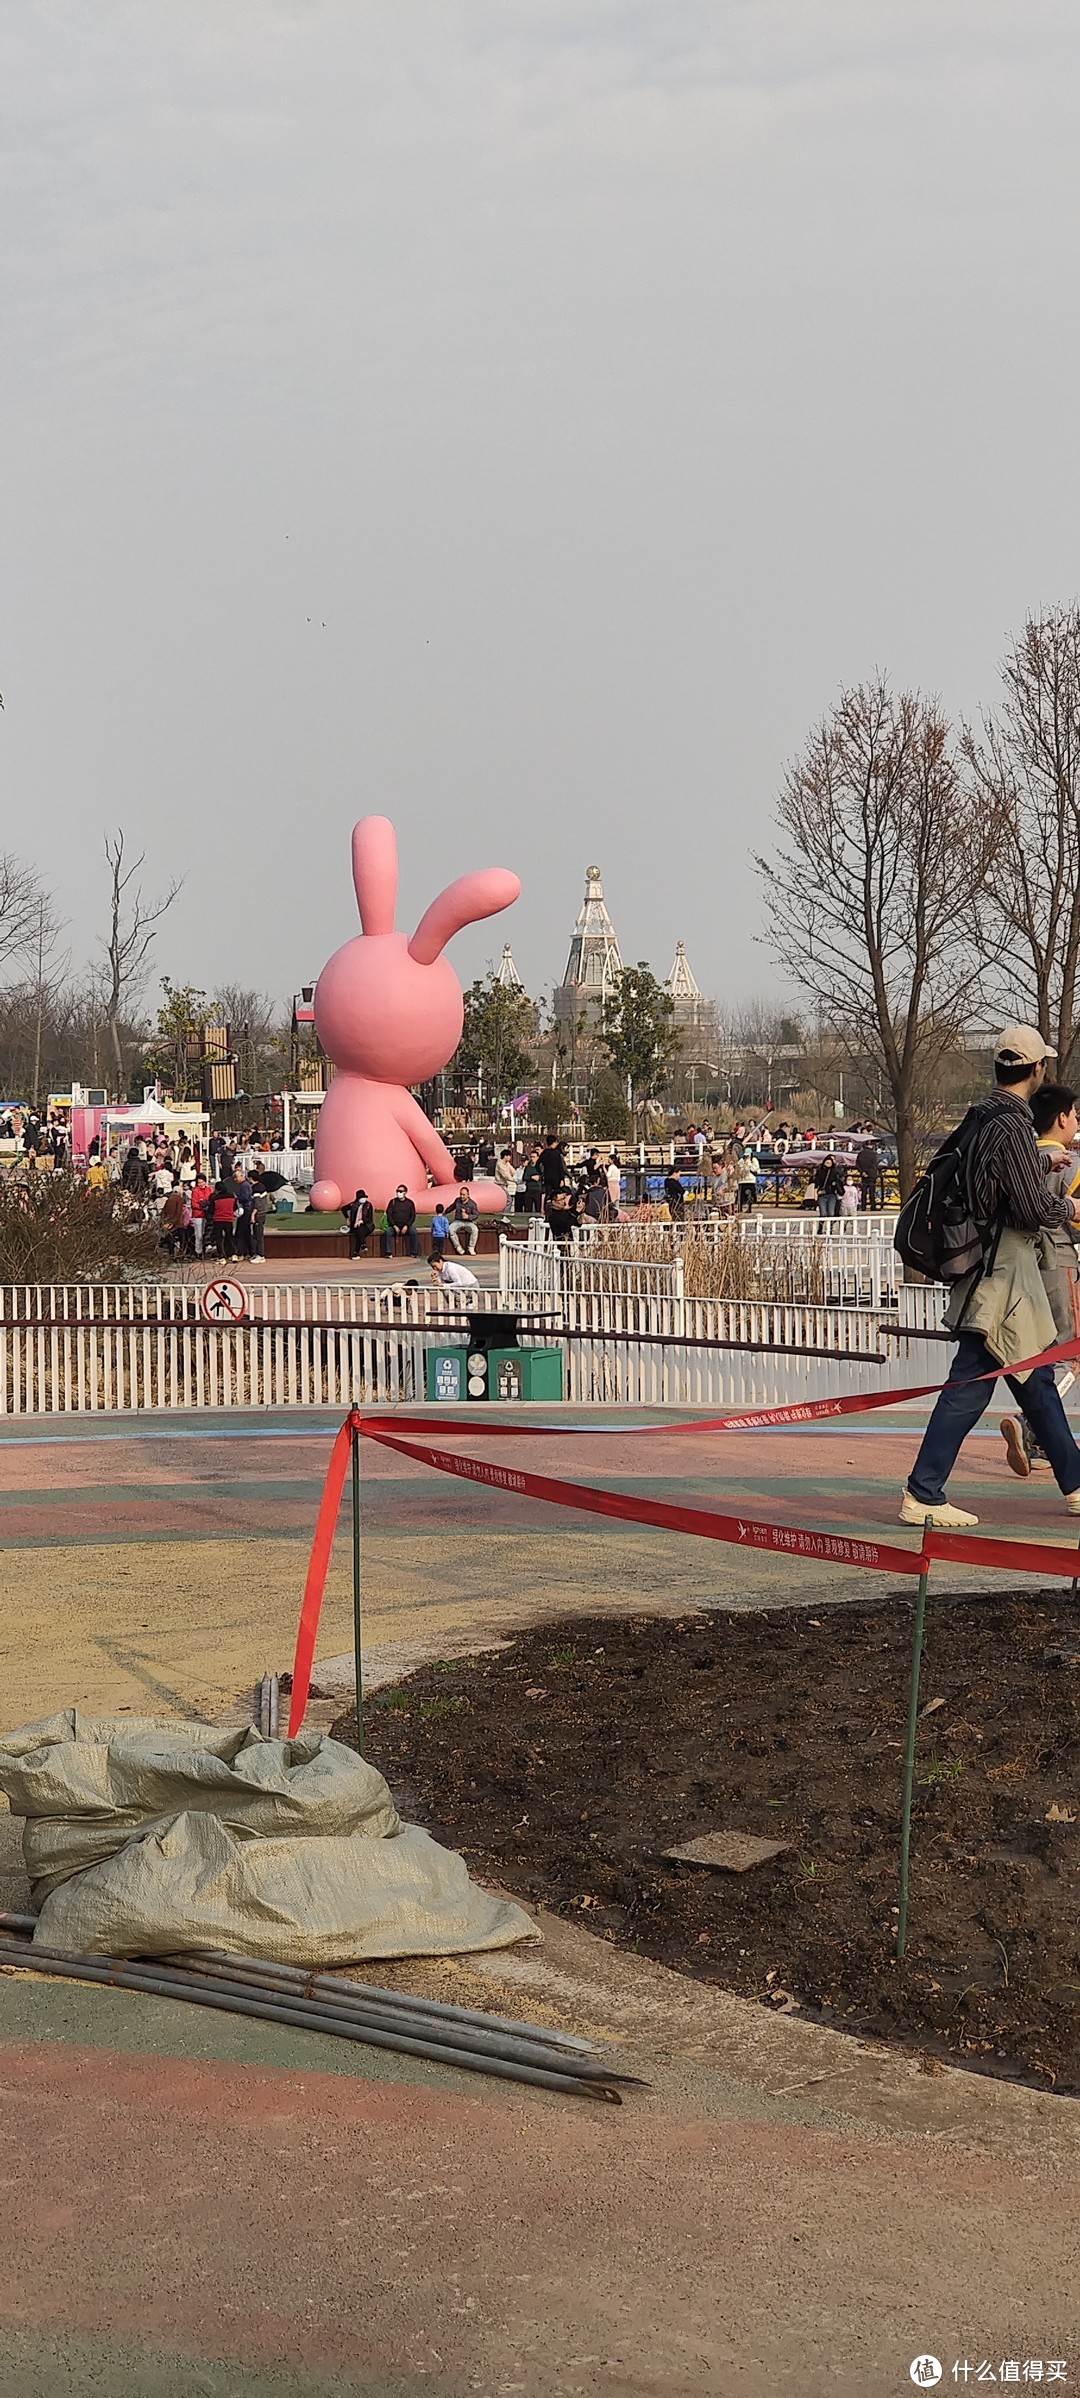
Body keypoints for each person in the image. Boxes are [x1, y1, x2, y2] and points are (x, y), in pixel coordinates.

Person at [902, 1027, 1080, 1529]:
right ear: (1037, 1069)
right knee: (973, 1382)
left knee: (1036, 1380)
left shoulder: (984, 1116)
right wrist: (1069, 1204)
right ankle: (923, 1491)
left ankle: (1075, 1483)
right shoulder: (1012, 1125)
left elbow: (991, 1179)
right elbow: (1029, 1206)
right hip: (1005, 1275)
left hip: (990, 1268)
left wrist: (1040, 1158)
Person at [999, 1081, 1080, 1477]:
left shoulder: (1023, 1157)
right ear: (1062, 1118)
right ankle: (1032, 1423)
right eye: (1076, 1114)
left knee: (1039, 1354)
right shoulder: (1070, 1164)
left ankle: (1041, 1441)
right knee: (1071, 1356)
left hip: (1023, 1268)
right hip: (1059, 1261)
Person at [383, 1187, 419, 1257]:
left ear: (405, 1192)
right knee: (388, 1232)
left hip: (406, 1226)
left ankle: (414, 1252)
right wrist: (394, 1225)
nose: (398, 1193)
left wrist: (406, 1226)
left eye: (400, 1191)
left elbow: (412, 1216)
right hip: (394, 1225)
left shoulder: (410, 1203)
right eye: (397, 1191)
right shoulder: (392, 1202)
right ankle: (388, 1252)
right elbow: (389, 1215)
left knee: (414, 1232)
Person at [449, 1184, 480, 1255]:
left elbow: (476, 1214)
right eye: (461, 1194)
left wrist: (468, 1217)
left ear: (468, 1195)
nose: (462, 1196)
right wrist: (444, 1212)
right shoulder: (457, 1201)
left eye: (464, 1195)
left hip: (468, 1222)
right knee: (451, 1229)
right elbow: (452, 1207)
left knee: (475, 1230)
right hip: (458, 1221)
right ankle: (458, 1247)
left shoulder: (472, 1204)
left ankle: (471, 1247)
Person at [814, 1152, 846, 1220]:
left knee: (831, 1213)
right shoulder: (820, 1171)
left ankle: (830, 1229)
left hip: (832, 1194)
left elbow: (839, 1181)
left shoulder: (834, 1172)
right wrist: (815, 1195)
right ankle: (821, 1228)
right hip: (822, 1194)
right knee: (823, 1214)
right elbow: (816, 1183)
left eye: (830, 1163)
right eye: (827, 1162)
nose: (828, 1164)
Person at [189, 1171, 214, 1257]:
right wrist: (202, 1206)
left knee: (206, 1233)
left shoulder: (210, 1189)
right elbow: (194, 1203)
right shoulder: (195, 1190)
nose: (201, 1184)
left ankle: (205, 1249)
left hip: (208, 1215)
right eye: (199, 1182)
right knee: (198, 1234)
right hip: (198, 1215)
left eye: (202, 1182)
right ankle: (198, 1251)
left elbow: (212, 1200)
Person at [346, 1189, 375, 1257]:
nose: (363, 1199)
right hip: (355, 1226)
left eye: (364, 1197)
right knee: (359, 1230)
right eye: (362, 1197)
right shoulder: (353, 1205)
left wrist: (362, 1221)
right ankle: (362, 1246)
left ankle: (357, 1250)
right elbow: (343, 1209)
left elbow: (370, 1218)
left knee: (360, 1231)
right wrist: (347, 1218)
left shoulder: (368, 1205)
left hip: (368, 1226)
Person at [856, 1137, 881, 1211]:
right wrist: (869, 1172)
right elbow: (873, 1165)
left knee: (864, 1191)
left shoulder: (861, 1153)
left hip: (863, 1175)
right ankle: (872, 1206)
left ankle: (863, 1206)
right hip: (871, 1175)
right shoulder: (873, 1154)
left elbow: (857, 1164)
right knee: (871, 1192)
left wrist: (862, 1172)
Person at [737, 1147, 759, 1213]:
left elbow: (755, 1168)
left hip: (751, 1180)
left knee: (750, 1195)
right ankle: (739, 1208)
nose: (746, 1157)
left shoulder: (754, 1160)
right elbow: (738, 1168)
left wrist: (749, 1164)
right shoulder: (741, 1160)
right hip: (742, 1180)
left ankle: (749, 1208)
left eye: (748, 1155)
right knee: (740, 1195)